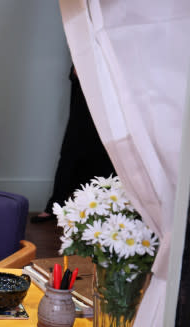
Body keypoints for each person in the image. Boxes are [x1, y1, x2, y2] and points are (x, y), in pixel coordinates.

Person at [31, 65, 115, 223]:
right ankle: (56, 205)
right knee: (71, 152)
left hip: (111, 85)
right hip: (85, 87)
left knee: (106, 151)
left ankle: (102, 207)